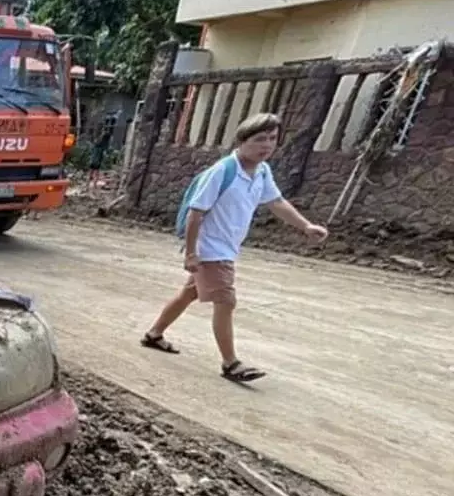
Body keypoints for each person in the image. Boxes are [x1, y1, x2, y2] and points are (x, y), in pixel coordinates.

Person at [139, 113, 328, 383]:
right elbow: (195, 212)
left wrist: (305, 226)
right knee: (225, 301)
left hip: (226, 247)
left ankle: (154, 334)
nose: (267, 145)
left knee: (189, 294)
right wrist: (191, 253)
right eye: (259, 139)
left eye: (272, 139)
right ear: (242, 141)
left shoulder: (262, 171)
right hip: (211, 249)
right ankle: (231, 363)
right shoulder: (223, 171)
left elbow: (276, 202)